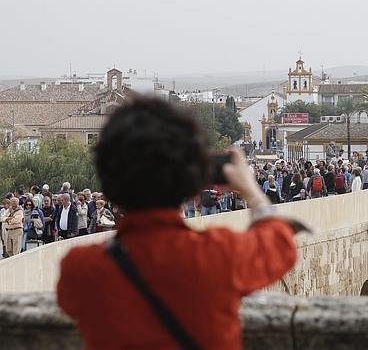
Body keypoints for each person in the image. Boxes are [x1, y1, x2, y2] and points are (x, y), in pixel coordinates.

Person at [57, 96, 308, 350]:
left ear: (107, 188)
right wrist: (251, 190)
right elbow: (279, 244)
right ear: (192, 185)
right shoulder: (218, 254)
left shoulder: (79, 270)